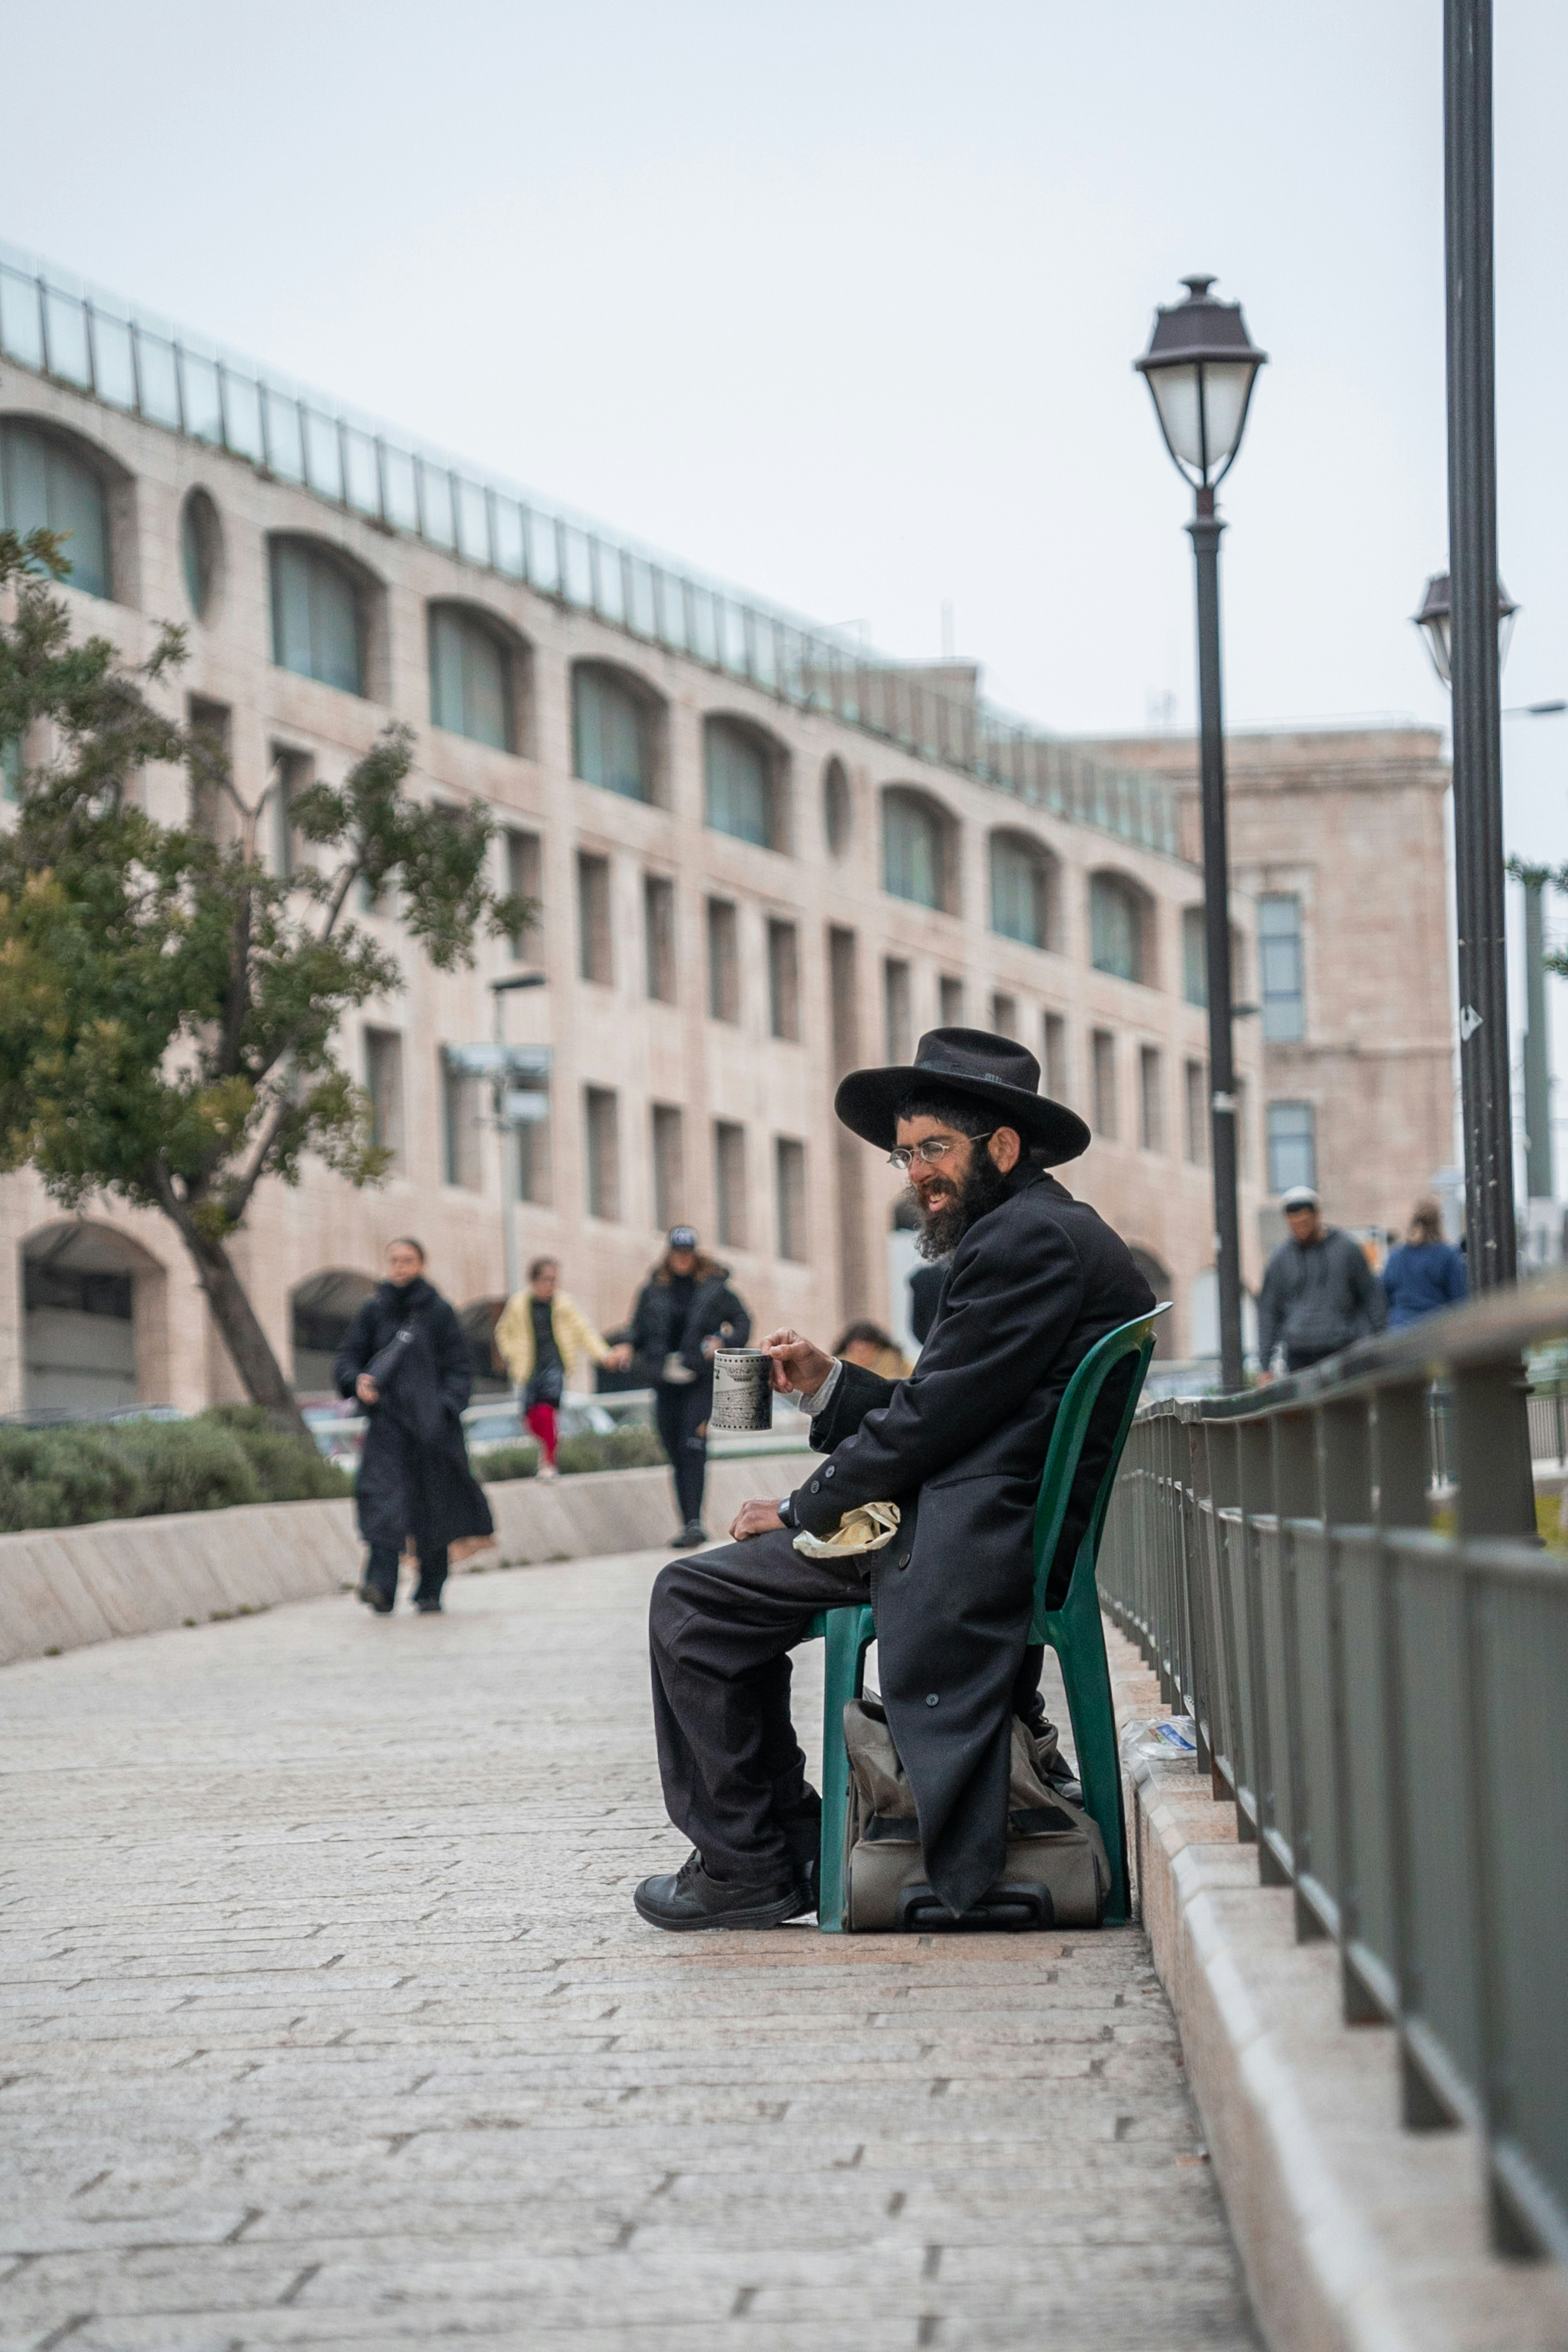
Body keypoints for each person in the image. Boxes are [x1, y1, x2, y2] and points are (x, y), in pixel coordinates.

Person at [634, 1026, 1156, 1933]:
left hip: (971, 1539)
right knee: (717, 1599)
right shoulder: (1037, 1230)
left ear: (999, 1148)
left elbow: (934, 1424)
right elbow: (956, 1404)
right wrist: (830, 1384)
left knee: (692, 1600)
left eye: (934, 1150)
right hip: (980, 1512)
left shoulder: (1023, 1243)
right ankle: (778, 1847)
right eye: (904, 1153)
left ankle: (747, 1863)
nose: (916, 1172)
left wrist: (803, 1510)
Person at [333, 1238, 494, 1614]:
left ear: (422, 1264)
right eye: (394, 1260)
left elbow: (460, 1368)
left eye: (408, 1260)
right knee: (382, 1505)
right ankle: (380, 1587)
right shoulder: (374, 1311)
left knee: (433, 1510)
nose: (400, 1267)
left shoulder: (439, 1313)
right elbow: (347, 1357)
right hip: (386, 1427)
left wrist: (444, 1408)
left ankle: (430, 1589)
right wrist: (356, 1382)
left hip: (432, 1431)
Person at [616, 1227, 750, 1549]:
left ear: (695, 1254)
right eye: (677, 1253)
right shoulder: (653, 1290)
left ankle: (695, 1523)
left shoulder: (715, 1288)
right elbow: (637, 1330)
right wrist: (624, 1346)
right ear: (670, 1254)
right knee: (674, 1448)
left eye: (687, 1253)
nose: (682, 1259)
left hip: (700, 1379)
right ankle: (686, 1522)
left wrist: (724, 1341)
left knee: (693, 1446)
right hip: (665, 1381)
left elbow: (743, 1321)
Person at [493, 1257, 614, 1479]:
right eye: (546, 1280)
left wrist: (604, 1355)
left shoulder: (564, 1304)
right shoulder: (519, 1304)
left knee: (547, 1411)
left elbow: (584, 1331)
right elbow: (503, 1332)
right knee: (530, 1417)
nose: (550, 1285)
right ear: (534, 1280)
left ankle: (549, 1461)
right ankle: (548, 1447)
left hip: (555, 1365)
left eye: (554, 1280)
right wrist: (509, 1354)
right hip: (529, 1367)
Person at [1257, 1185, 1387, 1375]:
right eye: (1294, 1224)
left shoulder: (1346, 1249)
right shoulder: (1280, 1260)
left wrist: (1379, 1342)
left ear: (1317, 1215)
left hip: (1342, 1349)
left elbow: (1372, 1297)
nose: (1300, 1229)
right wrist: (1265, 1365)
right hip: (1298, 1354)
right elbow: (1269, 1312)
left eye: (1305, 1222)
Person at [1381, 1197, 1468, 1328]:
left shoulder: (1396, 1256)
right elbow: (1459, 1299)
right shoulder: (1447, 1255)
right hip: (1436, 1329)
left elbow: (1384, 1294)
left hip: (1400, 1329)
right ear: (1438, 1223)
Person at [831, 1320, 913, 1381]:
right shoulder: (839, 1369)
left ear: (877, 1348)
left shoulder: (895, 1362)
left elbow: (918, 1376)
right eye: (857, 1350)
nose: (862, 1355)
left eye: (867, 1349)